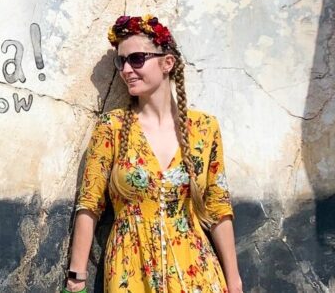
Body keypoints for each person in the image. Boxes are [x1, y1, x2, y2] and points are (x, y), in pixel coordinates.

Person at [63, 15, 243, 293]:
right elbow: (89, 205)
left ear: (167, 63)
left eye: (136, 59)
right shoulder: (112, 127)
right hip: (130, 270)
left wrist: (234, 281)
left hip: (195, 269)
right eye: (121, 61)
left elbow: (218, 207)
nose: (126, 69)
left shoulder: (204, 128)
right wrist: (76, 278)